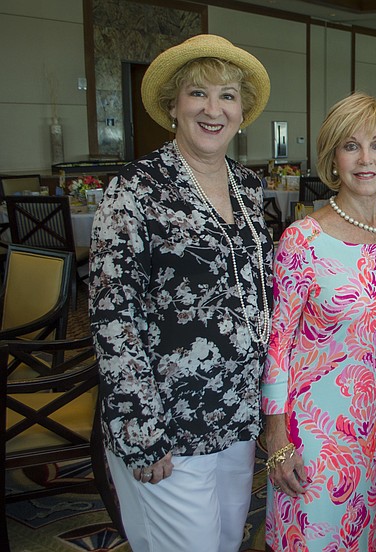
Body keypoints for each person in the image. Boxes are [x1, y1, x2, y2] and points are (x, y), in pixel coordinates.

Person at [89, 34, 272, 551]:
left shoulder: (247, 186)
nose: (213, 109)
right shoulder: (137, 188)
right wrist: (140, 428)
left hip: (236, 418)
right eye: (198, 94)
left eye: (228, 96)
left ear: (242, 111)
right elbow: (112, 313)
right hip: (166, 423)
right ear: (173, 106)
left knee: (224, 543)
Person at [262, 92, 376, 550]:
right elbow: (277, 346)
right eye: (351, 146)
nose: (366, 159)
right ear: (333, 159)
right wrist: (277, 438)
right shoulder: (303, 240)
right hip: (315, 437)